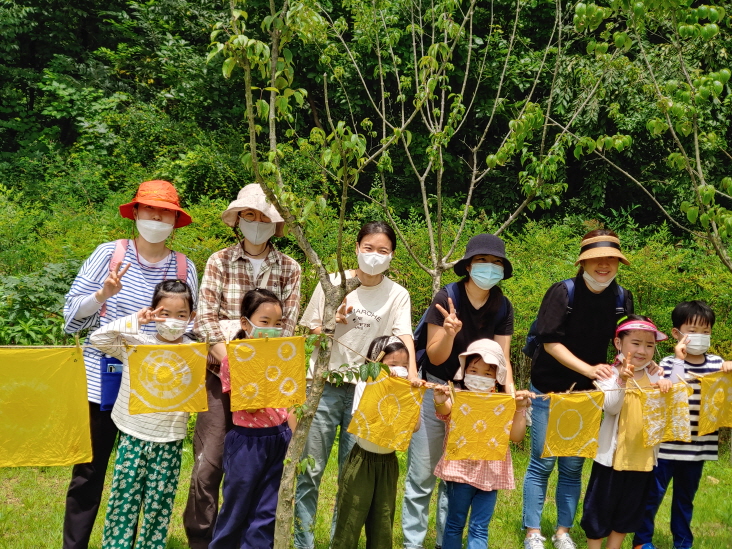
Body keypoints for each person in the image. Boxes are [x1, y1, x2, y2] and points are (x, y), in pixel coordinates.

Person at [62, 180, 197, 549]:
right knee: (89, 474)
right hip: (102, 382)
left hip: (156, 393)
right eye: (149, 209)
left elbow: (190, 330)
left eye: (165, 212)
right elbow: (71, 320)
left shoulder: (185, 267)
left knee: (148, 479)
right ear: (135, 212)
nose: (156, 217)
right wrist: (103, 294)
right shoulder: (109, 254)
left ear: (175, 220)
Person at [184, 184, 301, 549]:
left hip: (269, 384)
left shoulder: (289, 268)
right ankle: (204, 539)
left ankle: (254, 539)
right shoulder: (219, 261)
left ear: (274, 223)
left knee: (263, 468)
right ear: (238, 219)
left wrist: (252, 356)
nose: (256, 222)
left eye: (264, 216)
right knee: (210, 463)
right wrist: (233, 357)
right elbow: (204, 319)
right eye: (249, 215)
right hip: (221, 374)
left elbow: (288, 326)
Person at [295, 221, 416, 549]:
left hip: (368, 391)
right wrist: (333, 324)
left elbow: (404, 337)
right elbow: (308, 332)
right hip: (324, 383)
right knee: (310, 472)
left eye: (383, 251)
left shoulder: (397, 294)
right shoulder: (333, 283)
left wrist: (413, 376)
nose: (374, 256)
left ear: (392, 255)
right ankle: (302, 543)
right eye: (368, 248)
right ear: (356, 248)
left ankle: (340, 541)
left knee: (352, 477)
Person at [402, 233, 516, 549]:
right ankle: (413, 542)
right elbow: (437, 356)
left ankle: (443, 541)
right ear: (468, 266)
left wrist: (510, 399)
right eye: (482, 261)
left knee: (453, 476)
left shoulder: (502, 306)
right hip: (438, 387)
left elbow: (503, 359)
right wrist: (451, 332)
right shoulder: (446, 297)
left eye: (496, 263)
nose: (489, 269)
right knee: (423, 472)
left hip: (477, 397)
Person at [522, 229, 633, 549]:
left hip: (589, 395)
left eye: (611, 259)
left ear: (618, 263)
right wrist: (587, 368)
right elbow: (549, 341)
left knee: (572, 465)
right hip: (549, 388)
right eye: (596, 259)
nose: (604, 265)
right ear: (583, 262)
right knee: (542, 462)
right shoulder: (563, 292)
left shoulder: (621, 297)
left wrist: (633, 364)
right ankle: (532, 532)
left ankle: (562, 532)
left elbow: (625, 341)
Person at [89, 279, 197, 549]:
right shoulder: (136, 343)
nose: (173, 320)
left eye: (181, 315)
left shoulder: (194, 351)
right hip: (132, 435)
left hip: (170, 439)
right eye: (164, 313)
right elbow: (97, 338)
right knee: (123, 502)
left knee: (158, 507)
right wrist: (138, 319)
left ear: (191, 317)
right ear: (153, 312)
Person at [632, 301, 732, 549]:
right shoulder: (667, 364)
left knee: (685, 499)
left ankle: (683, 543)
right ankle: (642, 541)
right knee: (652, 496)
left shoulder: (717, 364)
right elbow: (671, 390)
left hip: (698, 448)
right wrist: (677, 362)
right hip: (665, 448)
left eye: (706, 332)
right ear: (677, 333)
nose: (700, 337)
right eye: (693, 331)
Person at [210, 289, 296, 549]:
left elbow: (291, 402)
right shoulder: (234, 359)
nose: (272, 329)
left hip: (280, 436)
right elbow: (250, 403)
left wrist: (294, 442)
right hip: (247, 443)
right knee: (237, 504)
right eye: (264, 322)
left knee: (268, 509)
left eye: (278, 323)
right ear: (246, 323)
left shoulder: (285, 354)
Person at [580, 316, 672, 549]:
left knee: (630, 509)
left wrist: (664, 387)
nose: (643, 350)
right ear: (618, 343)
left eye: (650, 345)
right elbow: (611, 407)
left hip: (642, 458)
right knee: (600, 506)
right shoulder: (607, 374)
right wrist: (621, 379)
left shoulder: (655, 375)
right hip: (610, 458)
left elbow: (663, 413)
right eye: (636, 343)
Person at [432, 339, 533, 549]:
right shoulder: (457, 397)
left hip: (491, 472)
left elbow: (516, 436)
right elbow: (445, 411)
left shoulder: (504, 402)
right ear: (464, 371)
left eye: (487, 373)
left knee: (479, 527)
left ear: (497, 378)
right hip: (460, 470)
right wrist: (440, 400)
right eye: (474, 370)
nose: (479, 377)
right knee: (454, 523)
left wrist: (520, 408)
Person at [331, 336, 419, 549]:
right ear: (375, 362)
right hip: (362, 461)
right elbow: (363, 422)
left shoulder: (408, 392)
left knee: (383, 522)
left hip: (388, 463)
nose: (400, 370)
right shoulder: (366, 382)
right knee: (350, 518)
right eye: (393, 365)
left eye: (405, 366)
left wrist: (412, 395)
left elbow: (413, 427)